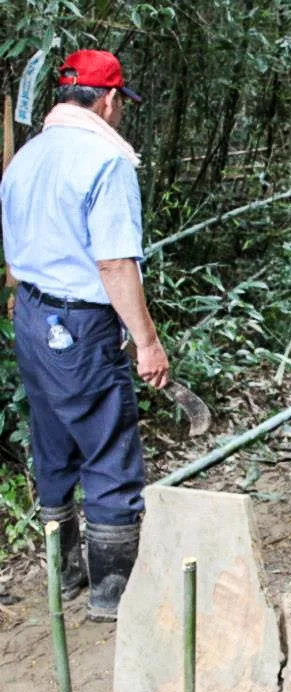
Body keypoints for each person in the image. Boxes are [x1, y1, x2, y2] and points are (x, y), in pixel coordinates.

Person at [0, 50, 169, 622]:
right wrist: (146, 341)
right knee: (107, 449)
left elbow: (14, 259)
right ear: (110, 100)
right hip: (81, 321)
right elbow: (115, 264)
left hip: (30, 315)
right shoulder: (106, 159)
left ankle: (64, 572)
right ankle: (110, 593)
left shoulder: (25, 158)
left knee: (52, 442)